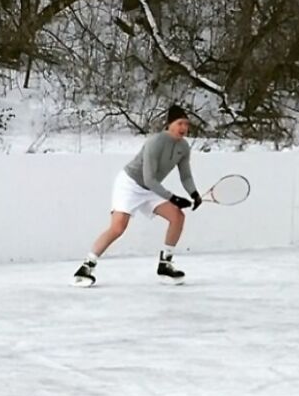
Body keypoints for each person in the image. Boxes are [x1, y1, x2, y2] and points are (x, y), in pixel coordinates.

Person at [72, 104, 202, 287]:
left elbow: (186, 175)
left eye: (186, 124)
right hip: (129, 184)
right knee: (118, 227)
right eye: (180, 123)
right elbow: (149, 179)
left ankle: (165, 264)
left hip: (150, 189)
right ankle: (87, 266)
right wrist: (173, 198)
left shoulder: (184, 147)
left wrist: (194, 193)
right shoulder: (155, 142)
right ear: (169, 124)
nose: (184, 128)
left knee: (178, 217)